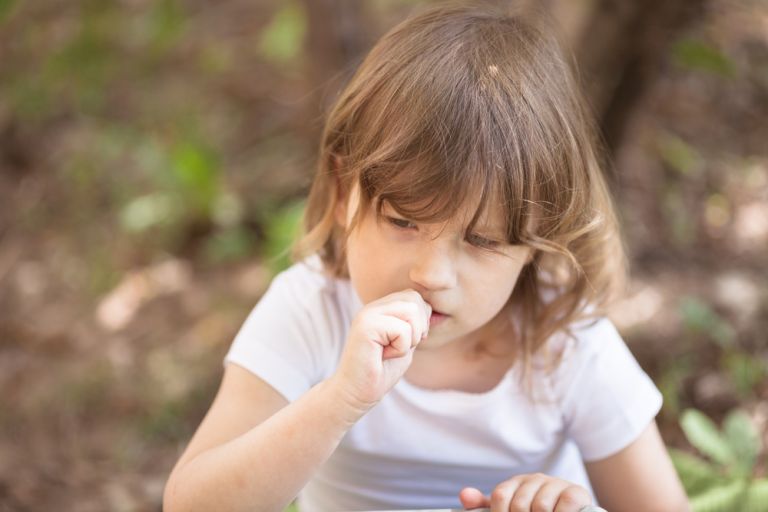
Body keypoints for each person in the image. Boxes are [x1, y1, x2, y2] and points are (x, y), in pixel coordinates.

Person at [163, 2, 690, 512]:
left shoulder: (565, 344)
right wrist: (340, 400)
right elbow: (190, 503)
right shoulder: (311, 311)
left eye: (482, 242)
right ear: (345, 190)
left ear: (536, 241)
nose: (431, 275)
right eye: (402, 222)